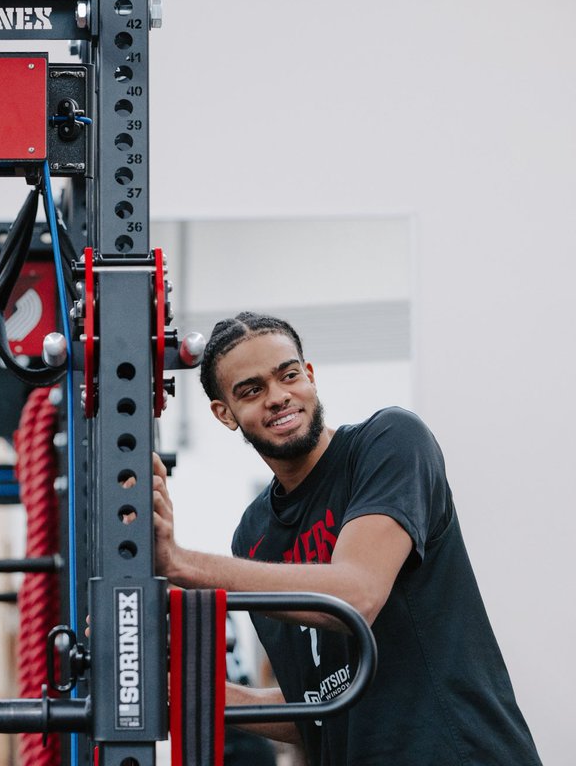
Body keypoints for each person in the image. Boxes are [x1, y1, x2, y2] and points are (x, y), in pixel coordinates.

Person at [151, 311, 540, 765]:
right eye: (252, 390)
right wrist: (182, 690)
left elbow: (355, 596)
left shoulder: (389, 443)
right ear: (225, 414)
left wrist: (178, 562)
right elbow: (314, 708)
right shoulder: (254, 537)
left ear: (310, 377)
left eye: (289, 375)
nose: (278, 397)